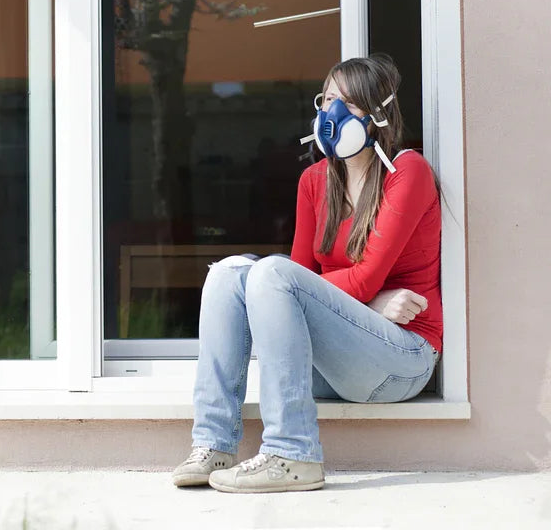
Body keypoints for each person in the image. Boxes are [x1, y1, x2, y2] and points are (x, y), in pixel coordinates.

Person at [171, 54, 442, 493]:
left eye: (349, 104)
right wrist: (370, 304)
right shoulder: (316, 180)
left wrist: (356, 295)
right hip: (334, 362)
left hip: (401, 359)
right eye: (328, 98)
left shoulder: (407, 171)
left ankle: (292, 453)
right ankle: (215, 443)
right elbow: (301, 282)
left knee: (271, 273)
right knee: (228, 273)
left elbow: (331, 280)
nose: (332, 112)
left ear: (378, 114)